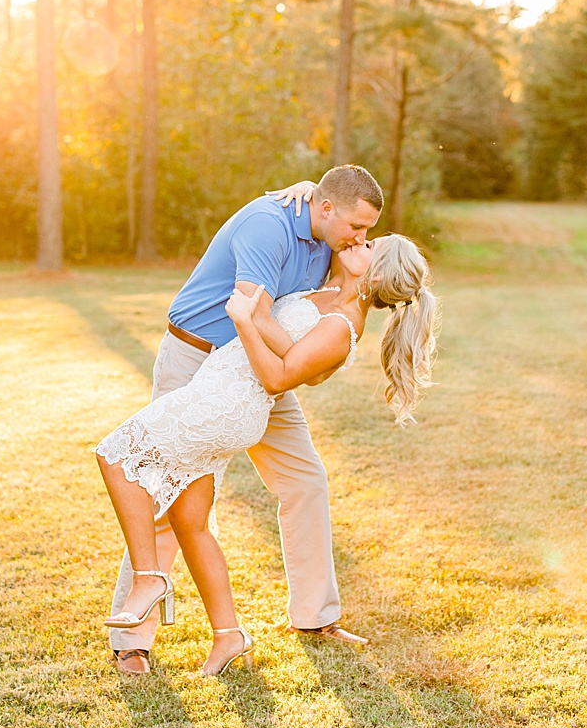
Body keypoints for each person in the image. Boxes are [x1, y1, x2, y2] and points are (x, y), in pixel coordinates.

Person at [97, 233, 437, 674]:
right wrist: (302, 189)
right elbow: (316, 214)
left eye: (372, 243)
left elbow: (285, 373)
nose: (362, 239)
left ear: (375, 273)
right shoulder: (320, 269)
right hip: (221, 378)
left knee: (124, 460)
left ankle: (159, 583)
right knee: (185, 516)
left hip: (242, 396)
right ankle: (215, 637)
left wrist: (248, 322)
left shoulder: (343, 316)